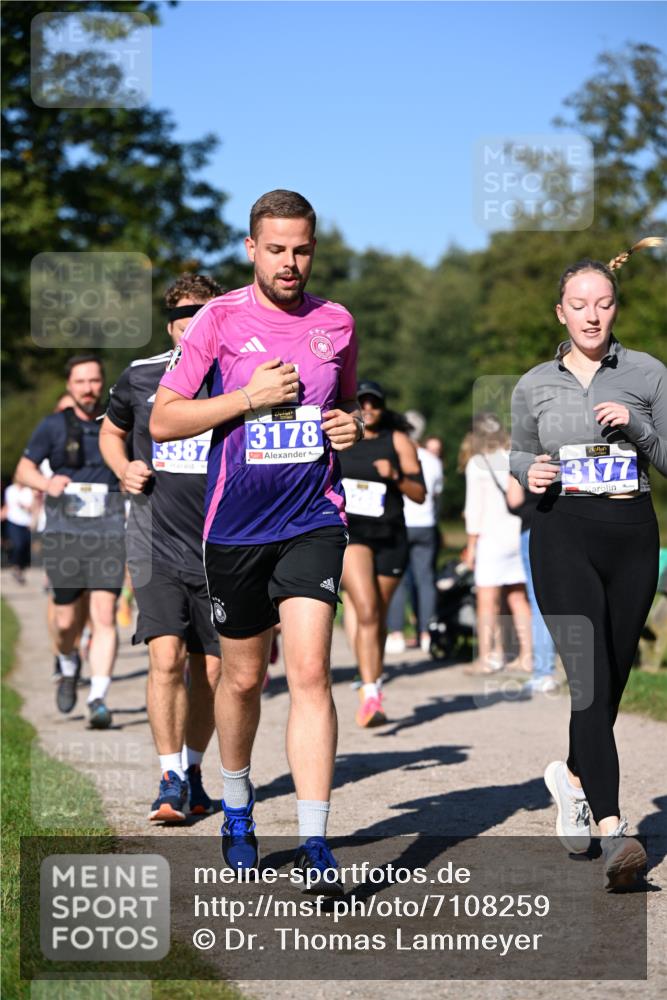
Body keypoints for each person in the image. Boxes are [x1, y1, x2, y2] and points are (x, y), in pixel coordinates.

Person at [150, 190, 361, 887]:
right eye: (276, 249)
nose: (289, 263)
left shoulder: (336, 322)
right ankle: (237, 807)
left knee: (308, 673)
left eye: (301, 249)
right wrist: (246, 399)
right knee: (241, 679)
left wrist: (347, 429)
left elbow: (344, 407)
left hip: (313, 517)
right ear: (251, 249)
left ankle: (313, 841)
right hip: (235, 528)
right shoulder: (218, 319)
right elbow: (165, 420)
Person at [510, 237, 665, 889]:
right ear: (560, 313)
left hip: (630, 535)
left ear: (614, 309)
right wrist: (532, 469)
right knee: (590, 681)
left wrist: (635, 425)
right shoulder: (532, 385)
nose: (591, 316)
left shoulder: (649, 374)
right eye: (579, 305)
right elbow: (516, 458)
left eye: (602, 304)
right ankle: (612, 830)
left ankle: (570, 778)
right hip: (560, 534)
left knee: (613, 677)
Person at [100, 273, 224, 822]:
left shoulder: (237, 376)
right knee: (166, 657)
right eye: (179, 313)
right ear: (168, 320)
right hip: (153, 539)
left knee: (214, 672)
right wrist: (123, 465)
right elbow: (111, 430)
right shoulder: (141, 375)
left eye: (201, 312)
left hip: (223, 545)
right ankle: (169, 776)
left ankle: (195, 772)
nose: (188, 322)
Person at [15, 356, 124, 728]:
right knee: (64, 623)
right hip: (64, 536)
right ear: (70, 386)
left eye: (95, 380)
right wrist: (47, 484)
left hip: (109, 531)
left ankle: (97, 698)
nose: (89, 387)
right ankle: (66, 663)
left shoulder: (119, 423)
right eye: (81, 381)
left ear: (102, 383)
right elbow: (23, 470)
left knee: (105, 616)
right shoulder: (52, 427)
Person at [339, 382, 425, 726]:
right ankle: (371, 693)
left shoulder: (398, 440)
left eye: (374, 403)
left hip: (390, 536)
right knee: (368, 608)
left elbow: (419, 494)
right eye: (362, 403)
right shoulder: (339, 438)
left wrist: (396, 477)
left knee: (378, 616)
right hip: (351, 534)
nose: (369, 408)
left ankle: (370, 674)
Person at [459, 413, 532, 675]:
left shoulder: (477, 463)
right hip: (518, 534)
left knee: (487, 601)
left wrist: (471, 546)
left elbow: (474, 510)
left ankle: (489, 656)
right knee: (518, 598)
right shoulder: (515, 455)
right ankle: (527, 656)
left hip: (491, 538)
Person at [386, 409, 444, 655]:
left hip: (401, 523)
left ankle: (397, 633)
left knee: (397, 579)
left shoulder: (397, 455)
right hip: (425, 523)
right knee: (425, 579)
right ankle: (425, 633)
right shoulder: (432, 460)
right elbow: (437, 494)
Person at [506, 477, 559, 694]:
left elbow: (514, 500)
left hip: (533, 526)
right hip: (571, 527)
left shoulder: (525, 450)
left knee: (539, 602)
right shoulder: (568, 446)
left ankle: (544, 673)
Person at [2, 479, 35, 584]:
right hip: (13, 522)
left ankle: (21, 568)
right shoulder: (10, 490)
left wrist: (26, 508)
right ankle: (16, 567)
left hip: (26, 523)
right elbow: (7, 506)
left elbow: (34, 507)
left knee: (26, 546)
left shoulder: (29, 491)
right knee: (18, 545)